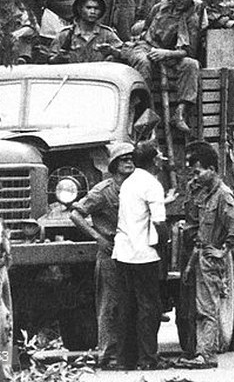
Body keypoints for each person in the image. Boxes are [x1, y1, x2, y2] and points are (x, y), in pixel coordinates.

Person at [177, 142, 234, 370]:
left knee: (206, 307)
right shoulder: (201, 191)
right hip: (197, 255)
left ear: (213, 170)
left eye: (198, 172)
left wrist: (223, 250)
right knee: (195, 307)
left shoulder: (223, 196)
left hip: (210, 257)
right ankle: (198, 351)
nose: (194, 177)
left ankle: (206, 354)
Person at [69, 142, 134, 370]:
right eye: (124, 159)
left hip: (131, 252)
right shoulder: (103, 191)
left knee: (129, 303)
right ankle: (107, 354)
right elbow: (76, 214)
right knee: (110, 304)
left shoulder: (133, 187)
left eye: (130, 158)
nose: (129, 162)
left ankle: (125, 352)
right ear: (114, 164)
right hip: (110, 253)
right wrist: (97, 238)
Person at [113, 141, 168, 371]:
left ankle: (126, 358)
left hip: (123, 251)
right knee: (149, 307)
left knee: (127, 305)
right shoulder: (152, 184)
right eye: (159, 156)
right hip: (144, 253)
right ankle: (148, 358)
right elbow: (159, 222)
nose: (162, 160)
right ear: (154, 160)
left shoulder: (128, 183)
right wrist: (164, 244)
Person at [124, 0, 201, 133]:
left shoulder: (192, 18)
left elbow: (189, 51)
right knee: (143, 62)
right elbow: (146, 29)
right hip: (147, 46)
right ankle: (143, 109)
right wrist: (152, 49)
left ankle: (179, 113)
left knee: (191, 65)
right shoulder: (159, 7)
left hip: (171, 53)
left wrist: (166, 53)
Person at [51, 0, 123, 64]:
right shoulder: (65, 34)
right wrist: (59, 58)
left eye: (96, 8)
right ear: (80, 9)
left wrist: (112, 51)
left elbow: (124, 55)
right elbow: (50, 60)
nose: (93, 11)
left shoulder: (107, 34)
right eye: (88, 8)